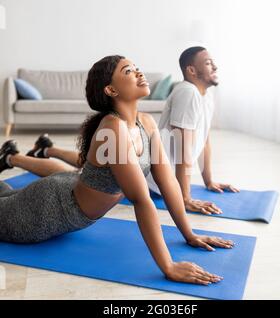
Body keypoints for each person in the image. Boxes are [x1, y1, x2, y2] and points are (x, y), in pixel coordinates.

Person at [0, 55, 234, 285]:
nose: (139, 72)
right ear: (111, 90)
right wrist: (168, 266)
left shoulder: (146, 122)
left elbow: (167, 182)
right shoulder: (113, 129)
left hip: (63, 188)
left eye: (136, 67)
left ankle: (9, 158)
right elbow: (141, 200)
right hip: (44, 212)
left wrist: (190, 236)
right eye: (128, 71)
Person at [147, 46, 239, 215]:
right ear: (191, 70)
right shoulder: (187, 92)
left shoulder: (206, 95)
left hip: (170, 183)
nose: (215, 67)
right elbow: (183, 151)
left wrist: (209, 181)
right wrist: (184, 198)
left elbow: (205, 141)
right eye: (208, 63)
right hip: (155, 184)